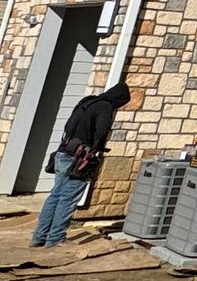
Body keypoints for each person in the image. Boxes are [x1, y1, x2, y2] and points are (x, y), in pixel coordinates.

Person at [30, 82, 133, 247]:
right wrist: (96, 148)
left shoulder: (87, 101)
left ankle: (38, 237)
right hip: (79, 159)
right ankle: (55, 239)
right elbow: (101, 132)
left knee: (55, 196)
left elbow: (68, 126)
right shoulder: (105, 107)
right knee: (68, 199)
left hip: (63, 153)